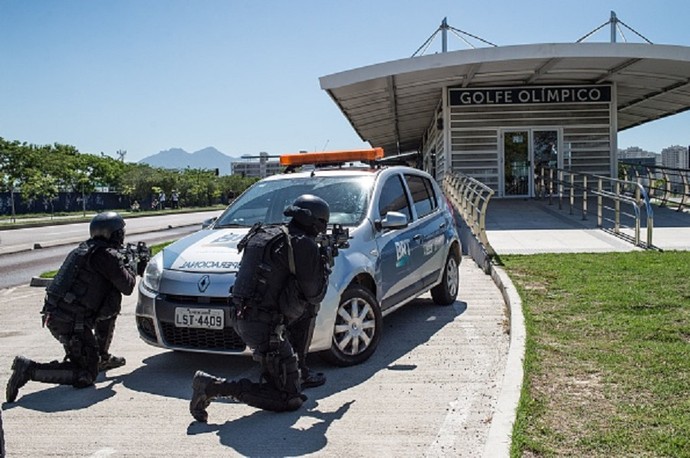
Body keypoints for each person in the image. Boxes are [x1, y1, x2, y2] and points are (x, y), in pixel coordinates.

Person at [190, 194, 332, 421]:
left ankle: (293, 372)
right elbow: (315, 294)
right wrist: (324, 264)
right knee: (290, 398)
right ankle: (211, 386)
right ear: (317, 222)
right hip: (264, 327)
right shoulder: (302, 244)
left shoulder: (267, 234)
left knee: (303, 316)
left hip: (242, 316)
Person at [5, 212, 148, 403]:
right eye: (120, 232)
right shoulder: (106, 256)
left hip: (60, 316)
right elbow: (128, 287)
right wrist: (135, 266)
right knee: (86, 374)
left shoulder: (86, 249)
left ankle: (101, 356)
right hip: (70, 323)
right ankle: (29, 369)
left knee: (111, 299)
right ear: (114, 234)